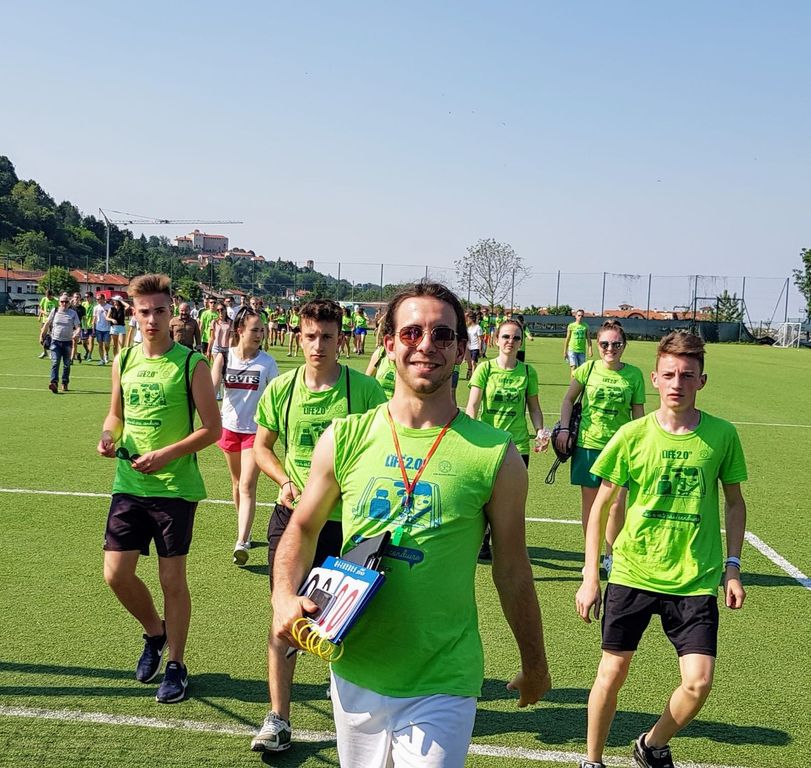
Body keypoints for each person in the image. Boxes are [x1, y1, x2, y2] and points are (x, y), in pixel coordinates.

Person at [269, 282, 551, 766]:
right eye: (411, 332)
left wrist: (535, 662)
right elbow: (303, 527)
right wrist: (281, 596)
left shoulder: (496, 454)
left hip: (443, 676)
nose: (426, 345)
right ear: (388, 343)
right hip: (353, 667)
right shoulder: (345, 436)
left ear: (461, 350)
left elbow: (512, 569)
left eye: (442, 335)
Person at [575, 331, 747, 768]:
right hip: (632, 572)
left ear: (701, 381)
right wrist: (591, 575)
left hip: (695, 578)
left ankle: (651, 744)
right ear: (654, 378)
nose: (677, 383)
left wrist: (732, 567)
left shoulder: (722, 435)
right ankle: (592, 760)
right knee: (612, 673)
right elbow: (599, 510)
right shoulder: (632, 435)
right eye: (669, 374)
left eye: (687, 375)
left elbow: (734, 503)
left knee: (699, 683)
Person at [251, 298, 387, 753]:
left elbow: (385, 445)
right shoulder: (282, 389)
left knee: (350, 623)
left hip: (348, 527)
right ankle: (278, 719)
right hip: (293, 520)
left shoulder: (364, 390)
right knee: (284, 616)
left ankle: (344, 690)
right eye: (310, 336)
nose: (318, 345)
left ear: (340, 339)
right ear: (299, 336)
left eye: (327, 336)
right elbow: (261, 447)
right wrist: (284, 480)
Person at [97, 273, 220, 704]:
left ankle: (177, 665)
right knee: (116, 574)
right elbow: (115, 414)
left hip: (174, 488)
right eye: (144, 312)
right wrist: (108, 435)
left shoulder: (191, 364)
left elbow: (212, 430)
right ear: (133, 313)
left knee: (172, 580)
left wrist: (166, 455)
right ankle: (155, 632)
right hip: (129, 482)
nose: (152, 320)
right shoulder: (124, 360)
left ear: (172, 313)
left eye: (160, 311)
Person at [556, 320, 645, 574]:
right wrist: (564, 428)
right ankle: (591, 557)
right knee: (592, 505)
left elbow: (638, 414)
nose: (610, 348)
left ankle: (611, 556)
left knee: (616, 505)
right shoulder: (587, 369)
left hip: (620, 448)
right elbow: (568, 400)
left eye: (616, 344)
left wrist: (640, 444)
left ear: (624, 346)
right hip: (588, 445)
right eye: (605, 343)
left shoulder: (634, 375)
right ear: (597, 344)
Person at [466, 317, 547, 559]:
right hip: (488, 444)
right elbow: (473, 405)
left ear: (521, 342)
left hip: (517, 445)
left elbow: (534, 407)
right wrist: (469, 433)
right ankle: (481, 540)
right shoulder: (485, 369)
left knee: (509, 500)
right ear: (496, 340)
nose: (511, 341)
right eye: (506, 336)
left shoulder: (528, 372)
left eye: (516, 338)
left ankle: (503, 543)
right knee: (484, 496)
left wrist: (540, 430)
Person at [214, 307, 278, 564]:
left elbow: (276, 395)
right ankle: (246, 529)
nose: (260, 334)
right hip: (229, 429)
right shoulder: (224, 357)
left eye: (262, 330)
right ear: (240, 330)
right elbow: (210, 390)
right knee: (236, 483)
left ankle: (241, 542)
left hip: (255, 432)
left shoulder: (267, 363)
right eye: (254, 330)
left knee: (247, 485)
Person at [39, 293, 80, 392]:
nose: (64, 303)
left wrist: (76, 333)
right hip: (55, 341)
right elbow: (47, 323)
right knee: (55, 362)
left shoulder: (73, 313)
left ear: (69, 303)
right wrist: (42, 335)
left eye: (66, 302)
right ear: (59, 302)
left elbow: (78, 327)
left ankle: (65, 382)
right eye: (62, 302)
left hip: (67, 342)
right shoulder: (55, 311)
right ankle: (54, 383)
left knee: (66, 364)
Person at [564, 308, 593, 374]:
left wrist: (590, 349)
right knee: (573, 367)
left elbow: (588, 339)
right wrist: (565, 351)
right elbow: (567, 339)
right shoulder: (571, 326)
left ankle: (579, 381)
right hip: (572, 349)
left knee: (581, 369)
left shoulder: (585, 326)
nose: (580, 317)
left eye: (582, 316)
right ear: (575, 316)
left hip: (581, 351)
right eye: (579, 315)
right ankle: (572, 381)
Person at [93, 293, 112, 365]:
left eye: (99, 299)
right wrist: (93, 328)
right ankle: (102, 359)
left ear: (104, 299)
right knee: (100, 344)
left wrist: (109, 315)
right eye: (97, 299)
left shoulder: (110, 307)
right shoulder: (96, 307)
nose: (98, 300)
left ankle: (106, 353)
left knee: (107, 344)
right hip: (98, 329)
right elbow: (94, 318)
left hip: (107, 329)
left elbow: (113, 317)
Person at [37, 289, 58, 358]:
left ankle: (52, 352)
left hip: (52, 322)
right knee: (41, 339)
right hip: (44, 321)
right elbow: (40, 309)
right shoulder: (44, 299)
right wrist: (42, 314)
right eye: (46, 296)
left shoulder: (56, 301)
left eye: (49, 296)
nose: (47, 297)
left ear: (52, 295)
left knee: (51, 338)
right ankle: (45, 352)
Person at [70, 292, 86, 363]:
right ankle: (77, 354)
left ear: (80, 298)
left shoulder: (82, 308)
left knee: (74, 343)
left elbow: (84, 319)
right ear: (73, 298)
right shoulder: (70, 307)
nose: (76, 298)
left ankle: (71, 359)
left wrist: (85, 328)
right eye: (75, 297)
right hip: (69, 327)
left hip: (77, 328)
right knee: (69, 344)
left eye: (77, 297)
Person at [466, 310, 483, 376]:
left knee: (473, 362)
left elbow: (480, 339)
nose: (467, 320)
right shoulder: (468, 328)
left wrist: (480, 349)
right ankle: (470, 374)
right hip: (468, 348)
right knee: (469, 363)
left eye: (468, 319)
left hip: (475, 347)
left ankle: (473, 377)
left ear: (472, 319)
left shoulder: (478, 328)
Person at [82, 292, 96, 360]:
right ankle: (87, 351)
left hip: (92, 325)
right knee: (83, 342)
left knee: (91, 341)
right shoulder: (83, 304)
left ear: (91, 297)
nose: (86, 298)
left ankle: (89, 355)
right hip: (84, 325)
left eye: (87, 297)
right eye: (85, 297)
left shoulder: (95, 305)